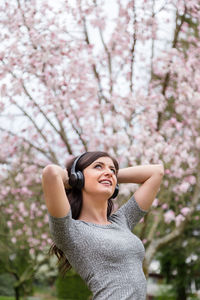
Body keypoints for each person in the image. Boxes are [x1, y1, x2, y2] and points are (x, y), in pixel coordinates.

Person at [42, 151, 164, 300]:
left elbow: (157, 172)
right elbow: (51, 173)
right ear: (78, 177)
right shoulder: (69, 230)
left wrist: (110, 176)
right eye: (98, 166)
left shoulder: (122, 221)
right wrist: (75, 177)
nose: (108, 172)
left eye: (112, 169)